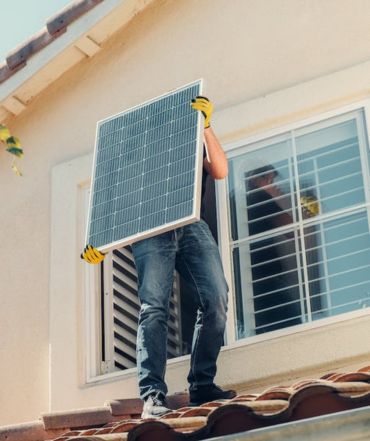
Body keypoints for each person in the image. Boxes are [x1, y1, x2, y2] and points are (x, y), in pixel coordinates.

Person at [82, 96, 236, 418]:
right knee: (153, 307)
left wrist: (206, 126)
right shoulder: (133, 161)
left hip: (191, 224)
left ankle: (202, 384)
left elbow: (219, 170)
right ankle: (152, 397)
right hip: (149, 232)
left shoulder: (189, 139)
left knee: (216, 296)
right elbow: (111, 196)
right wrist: (99, 242)